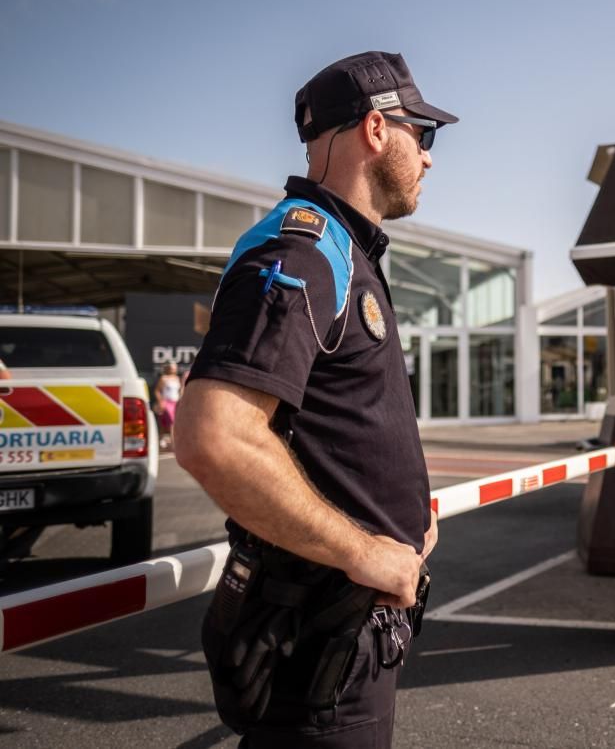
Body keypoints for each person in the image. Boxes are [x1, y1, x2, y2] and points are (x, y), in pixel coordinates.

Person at [174, 51, 456, 747]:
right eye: (422, 135)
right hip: (315, 643)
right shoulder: (303, 250)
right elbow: (216, 437)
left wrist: (404, 516)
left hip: (349, 636)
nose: (429, 157)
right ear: (373, 129)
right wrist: (365, 551)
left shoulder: (346, 252)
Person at [153, 362, 183, 448]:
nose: (174, 369)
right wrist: (160, 401)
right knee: (171, 421)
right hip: (166, 402)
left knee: (165, 423)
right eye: (172, 367)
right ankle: (174, 443)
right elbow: (157, 391)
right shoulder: (163, 378)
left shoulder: (177, 379)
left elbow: (179, 391)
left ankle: (162, 438)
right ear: (168, 368)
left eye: (175, 367)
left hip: (176, 403)